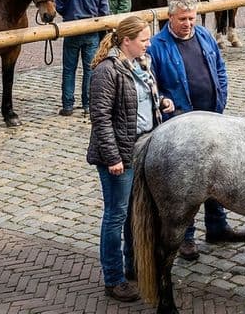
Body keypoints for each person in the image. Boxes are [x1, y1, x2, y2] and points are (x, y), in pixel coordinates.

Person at [147, 0, 245, 261]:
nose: (188, 23)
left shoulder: (204, 36)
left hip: (212, 117)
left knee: (216, 173)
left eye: (192, 18)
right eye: (182, 19)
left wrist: (222, 96)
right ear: (170, 17)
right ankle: (186, 236)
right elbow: (152, 87)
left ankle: (217, 225)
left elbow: (220, 69)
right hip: (182, 123)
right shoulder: (157, 46)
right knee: (188, 183)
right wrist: (166, 102)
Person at [87, 15, 174, 302]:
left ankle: (133, 264)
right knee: (116, 215)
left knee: (135, 212)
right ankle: (113, 278)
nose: (149, 44)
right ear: (127, 41)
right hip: (119, 155)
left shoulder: (141, 65)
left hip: (143, 147)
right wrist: (113, 158)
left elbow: (144, 98)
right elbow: (100, 118)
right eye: (144, 40)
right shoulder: (107, 71)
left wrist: (161, 101)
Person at [55, 0, 109, 117]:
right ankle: (87, 104)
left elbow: (58, 5)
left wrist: (68, 15)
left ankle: (67, 105)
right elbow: (104, 13)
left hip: (71, 30)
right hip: (91, 32)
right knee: (89, 69)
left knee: (69, 69)